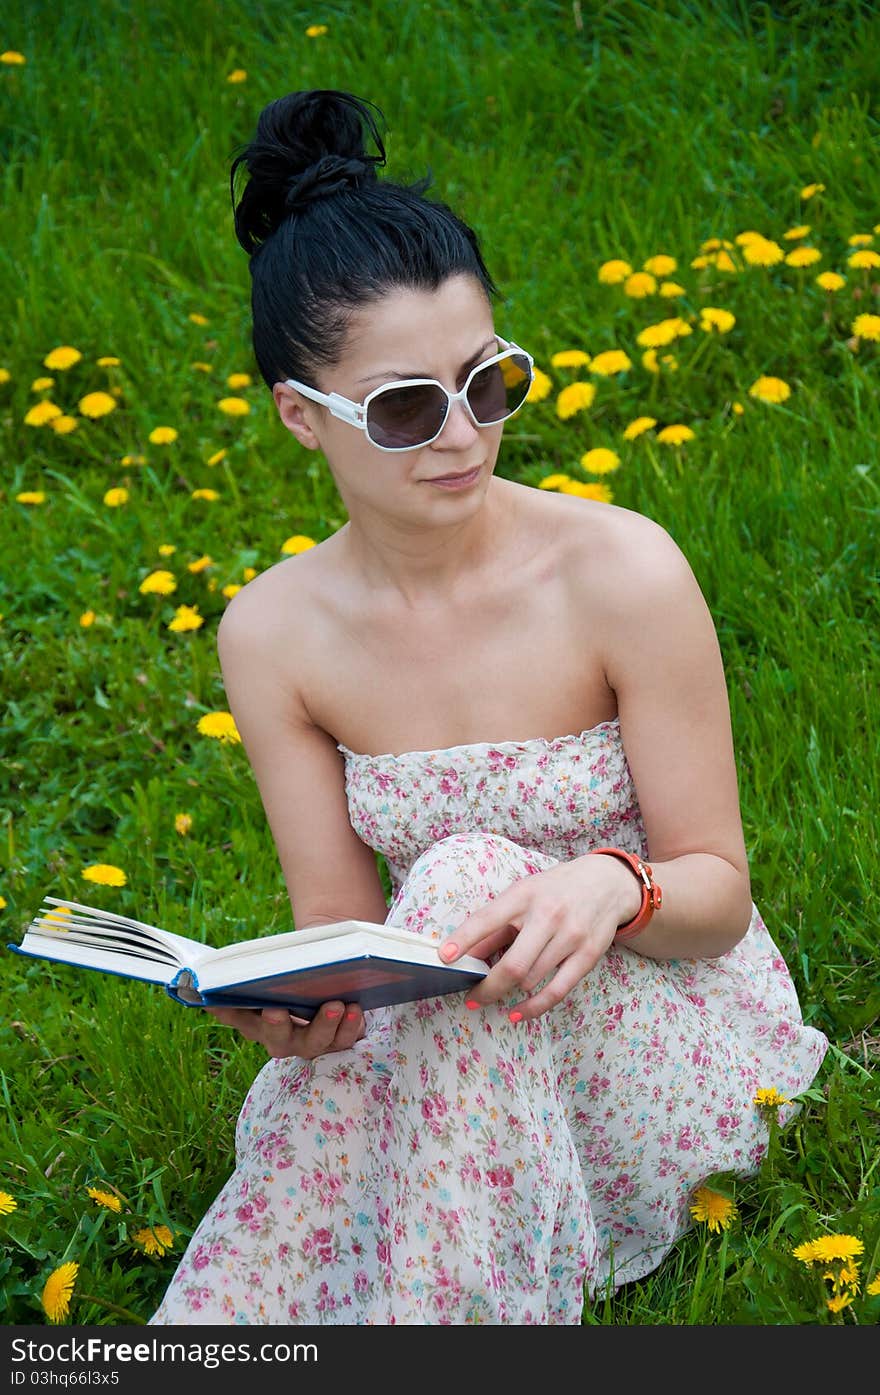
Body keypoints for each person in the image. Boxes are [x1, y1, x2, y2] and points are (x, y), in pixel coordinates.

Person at [149, 88, 828, 1326]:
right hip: (453, 1033)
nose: (463, 434)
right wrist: (304, 1013)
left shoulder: (618, 570)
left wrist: (615, 886)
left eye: (489, 381)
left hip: (656, 1021)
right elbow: (344, 931)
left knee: (463, 875)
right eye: (405, 408)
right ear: (304, 420)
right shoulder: (274, 633)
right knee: (445, 921)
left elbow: (717, 898)